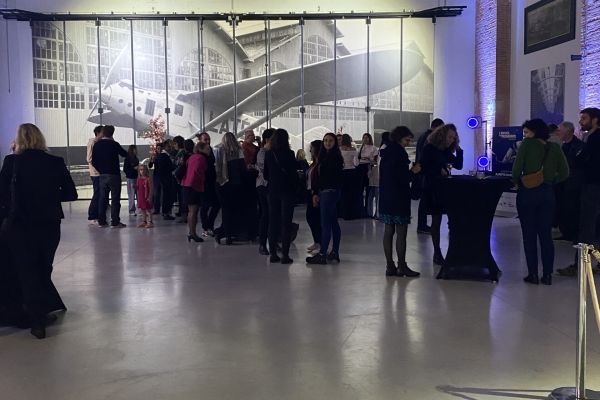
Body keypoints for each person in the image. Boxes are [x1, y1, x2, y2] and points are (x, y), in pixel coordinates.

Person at [0, 123, 77, 339]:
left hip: (20, 225)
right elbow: (71, 193)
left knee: (26, 271)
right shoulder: (55, 162)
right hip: (48, 224)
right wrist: (49, 196)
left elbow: (3, 193)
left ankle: (36, 322)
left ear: (19, 139)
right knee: (44, 268)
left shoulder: (12, 162)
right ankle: (41, 312)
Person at [512, 119, 569, 285]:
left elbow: (516, 169)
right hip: (547, 194)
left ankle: (533, 274)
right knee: (546, 236)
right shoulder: (555, 147)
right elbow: (565, 172)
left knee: (529, 235)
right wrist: (549, 181)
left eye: (526, 132)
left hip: (528, 193)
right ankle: (548, 275)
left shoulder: (527, 145)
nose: (525, 135)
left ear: (534, 131)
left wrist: (518, 181)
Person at [379, 126, 421, 277]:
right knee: (401, 232)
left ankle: (389, 266)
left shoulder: (385, 152)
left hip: (386, 197)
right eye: (406, 140)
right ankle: (402, 266)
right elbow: (403, 178)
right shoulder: (400, 154)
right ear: (399, 138)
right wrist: (413, 172)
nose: (408, 143)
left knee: (388, 231)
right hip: (399, 197)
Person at [420, 123, 463, 266]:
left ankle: (452, 251)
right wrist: (438, 170)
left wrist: (459, 149)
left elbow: (458, 165)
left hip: (444, 187)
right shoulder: (430, 148)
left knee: (451, 219)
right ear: (442, 136)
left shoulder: (445, 150)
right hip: (432, 187)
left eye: (453, 138)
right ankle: (437, 252)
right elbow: (423, 167)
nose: (451, 140)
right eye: (450, 137)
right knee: (436, 220)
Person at [306, 132, 344, 265]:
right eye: (325, 140)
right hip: (327, 192)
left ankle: (322, 254)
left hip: (329, 192)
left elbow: (329, 177)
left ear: (335, 143)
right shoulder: (324, 156)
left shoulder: (334, 158)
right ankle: (334, 252)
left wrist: (318, 191)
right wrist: (316, 192)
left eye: (330, 141)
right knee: (333, 222)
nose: (327, 143)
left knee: (326, 223)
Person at [264, 129, 298, 264]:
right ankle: (285, 255)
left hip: (272, 190)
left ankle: (273, 253)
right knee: (286, 223)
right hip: (287, 191)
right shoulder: (290, 154)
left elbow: (266, 174)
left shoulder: (269, 154)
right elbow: (293, 173)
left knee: (273, 222)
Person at [91, 125, 128, 228]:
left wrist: (101, 170)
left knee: (102, 199)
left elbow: (93, 161)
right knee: (115, 199)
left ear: (103, 132)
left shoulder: (97, 145)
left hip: (102, 175)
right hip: (114, 175)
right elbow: (124, 154)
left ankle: (102, 221)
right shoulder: (114, 144)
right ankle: (115, 222)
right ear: (112, 133)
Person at [554, 121, 585, 242]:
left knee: (573, 209)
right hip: (563, 183)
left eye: (560, 130)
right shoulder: (563, 146)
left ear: (568, 131)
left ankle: (574, 234)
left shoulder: (579, 146)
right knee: (563, 208)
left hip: (573, 184)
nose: (558, 133)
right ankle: (566, 232)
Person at [575, 108, 600, 254]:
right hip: (593, 184)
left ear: (595, 120)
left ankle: (583, 262)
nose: (580, 122)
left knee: (587, 224)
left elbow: (582, 160)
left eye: (584, 118)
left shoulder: (594, 139)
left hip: (592, 185)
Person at [415, 118, 445, 234]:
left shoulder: (423, 136)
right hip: (427, 174)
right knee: (425, 200)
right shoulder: (429, 139)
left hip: (423, 173)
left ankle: (422, 225)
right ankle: (422, 225)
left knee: (424, 200)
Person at [215, 132, 245, 245]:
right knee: (235, 210)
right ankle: (231, 233)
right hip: (236, 184)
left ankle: (224, 233)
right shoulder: (239, 151)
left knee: (226, 210)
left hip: (223, 184)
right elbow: (242, 169)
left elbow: (217, 168)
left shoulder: (219, 151)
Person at [182, 142, 209, 243]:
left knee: (191, 211)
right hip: (194, 186)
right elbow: (197, 170)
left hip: (187, 184)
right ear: (200, 149)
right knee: (194, 211)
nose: (209, 151)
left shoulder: (192, 157)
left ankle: (191, 232)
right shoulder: (201, 158)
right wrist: (203, 177)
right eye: (207, 149)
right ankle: (192, 233)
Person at [197, 132, 220, 238]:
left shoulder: (210, 151)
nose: (208, 141)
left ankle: (209, 226)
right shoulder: (199, 155)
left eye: (208, 139)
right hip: (204, 183)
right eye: (205, 139)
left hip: (212, 182)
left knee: (216, 204)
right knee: (205, 206)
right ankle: (206, 227)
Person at [256, 128, 275, 255]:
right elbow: (266, 169)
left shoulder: (274, 152)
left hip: (272, 186)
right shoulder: (262, 152)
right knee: (266, 214)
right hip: (263, 185)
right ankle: (262, 244)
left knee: (273, 214)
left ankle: (273, 241)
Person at [306, 140, 322, 255]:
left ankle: (321, 243)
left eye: (311, 147)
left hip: (316, 193)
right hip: (309, 192)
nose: (310, 150)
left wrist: (316, 192)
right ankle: (316, 241)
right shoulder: (313, 163)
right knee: (310, 217)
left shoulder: (320, 164)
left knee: (316, 218)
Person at [355, 133, 378, 216]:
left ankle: (368, 211)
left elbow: (375, 160)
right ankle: (360, 209)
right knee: (360, 189)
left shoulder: (373, 148)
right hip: (360, 167)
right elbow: (357, 158)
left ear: (369, 139)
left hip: (368, 167)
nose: (365, 139)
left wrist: (369, 159)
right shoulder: (361, 147)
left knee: (369, 189)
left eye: (366, 138)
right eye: (363, 137)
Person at [152, 141, 176, 220]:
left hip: (161, 178)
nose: (170, 148)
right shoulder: (164, 156)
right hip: (165, 179)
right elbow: (169, 167)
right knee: (166, 195)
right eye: (169, 146)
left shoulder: (161, 156)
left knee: (163, 195)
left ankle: (164, 211)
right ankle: (166, 212)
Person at [340, 134, 361, 220]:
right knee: (351, 193)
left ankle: (343, 213)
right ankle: (352, 213)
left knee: (343, 193)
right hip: (352, 172)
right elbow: (356, 163)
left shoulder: (339, 150)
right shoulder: (353, 149)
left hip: (343, 172)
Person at [86, 125, 103, 224]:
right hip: (95, 173)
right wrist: (98, 167)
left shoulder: (99, 143)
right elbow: (89, 158)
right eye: (102, 132)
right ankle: (92, 215)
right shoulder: (92, 143)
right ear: (98, 133)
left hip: (100, 172)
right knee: (97, 194)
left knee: (100, 194)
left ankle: (98, 214)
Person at [123, 144, 139, 217]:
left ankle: (140, 208)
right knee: (132, 195)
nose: (136, 150)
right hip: (130, 178)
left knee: (138, 194)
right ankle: (131, 210)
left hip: (136, 178)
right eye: (135, 149)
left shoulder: (136, 158)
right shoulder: (128, 159)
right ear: (132, 150)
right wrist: (133, 169)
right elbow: (125, 169)